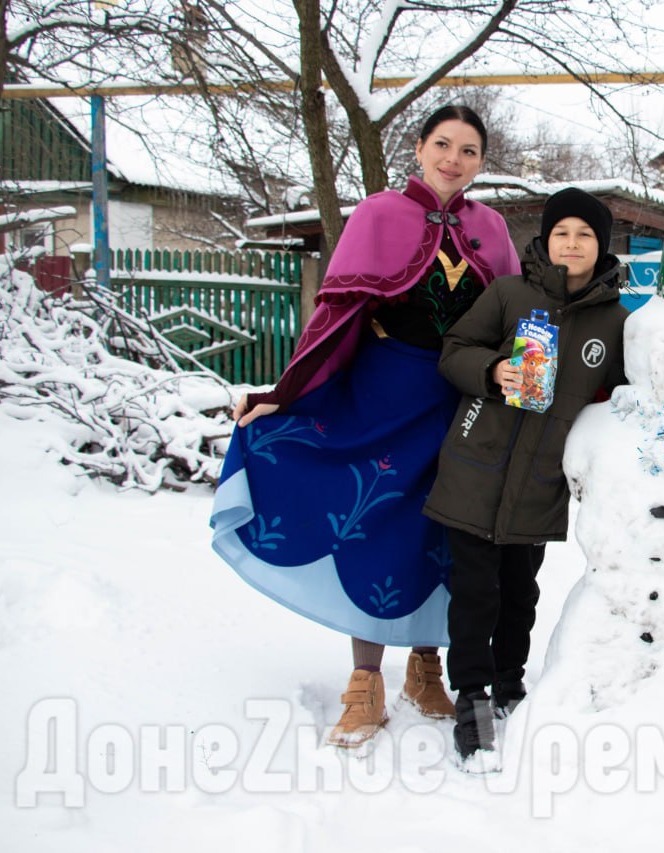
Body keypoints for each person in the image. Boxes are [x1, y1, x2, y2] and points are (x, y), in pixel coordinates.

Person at [210, 105, 518, 748]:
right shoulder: (378, 214)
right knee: (374, 531)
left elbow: (514, 326)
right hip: (383, 399)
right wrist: (286, 393)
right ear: (418, 148)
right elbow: (335, 318)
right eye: (442, 144)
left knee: (446, 537)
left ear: (481, 162)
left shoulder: (491, 227)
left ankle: (426, 664)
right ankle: (364, 683)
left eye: (468, 150)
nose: (453, 159)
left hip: (461, 408)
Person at [423, 188, 629, 764]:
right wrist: (493, 370)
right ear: (545, 239)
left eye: (584, 235)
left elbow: (619, 399)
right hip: (476, 467)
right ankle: (471, 697)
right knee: (473, 592)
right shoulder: (509, 293)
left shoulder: (614, 321)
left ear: (601, 246)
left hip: (540, 480)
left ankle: (510, 682)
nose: (572, 243)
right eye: (562, 232)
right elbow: (454, 349)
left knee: (520, 592)